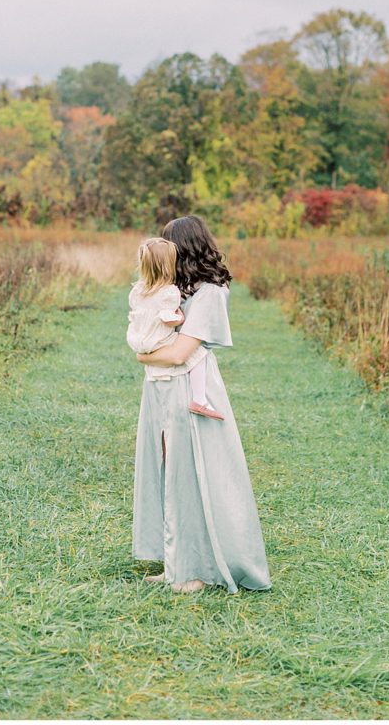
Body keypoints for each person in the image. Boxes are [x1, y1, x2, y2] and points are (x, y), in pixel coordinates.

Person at [131, 214, 271, 594]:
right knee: (167, 473)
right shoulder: (175, 290)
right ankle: (177, 560)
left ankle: (197, 569)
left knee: (193, 476)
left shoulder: (209, 293)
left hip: (188, 391)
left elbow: (178, 354)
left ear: (184, 247)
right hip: (159, 391)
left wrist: (144, 355)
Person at [126, 237, 224, 420]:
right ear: (168, 265)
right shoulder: (170, 292)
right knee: (199, 354)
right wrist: (180, 318)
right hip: (159, 339)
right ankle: (199, 399)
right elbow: (169, 319)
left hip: (140, 339)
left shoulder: (137, 290)